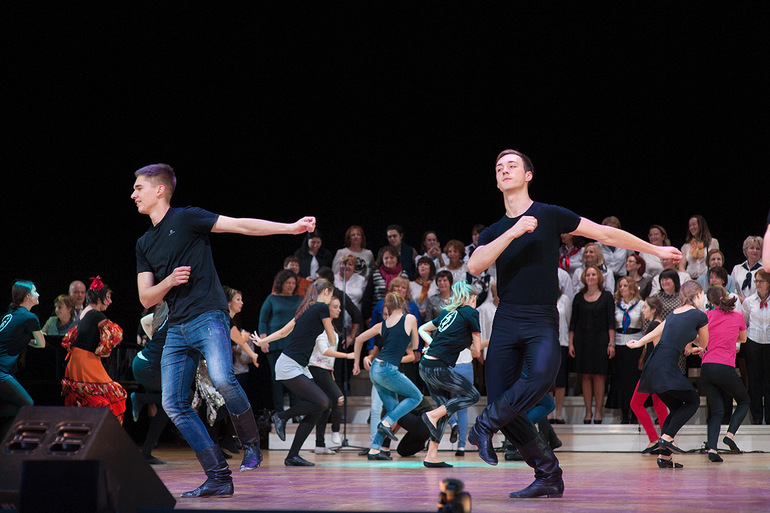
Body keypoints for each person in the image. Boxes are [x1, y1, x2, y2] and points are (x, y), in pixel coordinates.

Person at [465, 149, 681, 499]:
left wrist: (655, 251)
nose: (504, 170)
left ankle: (484, 425)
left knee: (540, 379)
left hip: (540, 316)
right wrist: (513, 232)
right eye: (499, 167)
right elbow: (475, 265)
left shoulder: (550, 215)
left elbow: (605, 234)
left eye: (512, 165)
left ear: (528, 175)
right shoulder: (494, 230)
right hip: (506, 319)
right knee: (504, 402)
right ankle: (548, 475)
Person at [132, 163, 315, 497]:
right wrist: (169, 281)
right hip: (176, 328)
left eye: (139, 188)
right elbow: (146, 297)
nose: (133, 194)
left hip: (209, 316)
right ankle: (218, 476)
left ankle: (251, 443)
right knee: (174, 404)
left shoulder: (186, 218)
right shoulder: (144, 243)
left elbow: (241, 225)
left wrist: (290, 228)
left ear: (159, 190)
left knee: (222, 378)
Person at [252, 279, 352, 466]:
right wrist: (332, 334)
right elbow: (332, 340)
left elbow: (283, 332)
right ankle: (281, 416)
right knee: (323, 401)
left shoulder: (306, 308)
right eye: (331, 295)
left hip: (295, 365)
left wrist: (262, 342)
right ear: (326, 292)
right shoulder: (321, 307)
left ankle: (292, 456)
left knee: (319, 407)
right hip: (290, 364)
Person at [628, 281, 708, 469]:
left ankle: (664, 456)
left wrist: (639, 343)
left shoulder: (674, 313)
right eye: (703, 294)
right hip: (666, 366)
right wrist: (695, 345)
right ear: (698, 295)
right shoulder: (700, 315)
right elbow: (704, 343)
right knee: (693, 401)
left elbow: (661, 330)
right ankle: (666, 438)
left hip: (652, 366)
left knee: (676, 406)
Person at [418, 282, 481, 468]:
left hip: (426, 365)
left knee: (445, 411)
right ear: (471, 298)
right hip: (437, 368)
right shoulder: (471, 313)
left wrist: (433, 344)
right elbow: (477, 351)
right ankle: (431, 415)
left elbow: (422, 329)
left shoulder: (448, 312)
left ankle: (431, 456)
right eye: (475, 298)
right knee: (473, 396)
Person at [353, 292, 422, 461]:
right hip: (388, 369)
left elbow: (359, 339)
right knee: (416, 396)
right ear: (403, 304)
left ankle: (374, 449)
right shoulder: (410, 318)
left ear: (388, 308)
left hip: (375, 369)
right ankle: (385, 423)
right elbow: (415, 346)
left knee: (392, 409)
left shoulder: (382, 324)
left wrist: (356, 363)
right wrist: (405, 342)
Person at [61, 276, 126, 422]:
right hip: (86, 361)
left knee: (89, 398)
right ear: (99, 297)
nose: (110, 301)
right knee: (114, 395)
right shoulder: (95, 314)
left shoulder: (86, 311)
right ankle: (104, 431)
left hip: (78, 358)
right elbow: (115, 333)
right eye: (108, 297)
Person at [701, 285, 749, 462]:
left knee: (716, 411)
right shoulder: (737, 316)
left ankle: (712, 449)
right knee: (744, 401)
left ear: (710, 301)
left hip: (707, 367)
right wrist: (728, 338)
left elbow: (702, 340)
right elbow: (743, 339)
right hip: (724, 366)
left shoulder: (707, 315)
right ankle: (730, 435)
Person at [569, 265, 615, 424]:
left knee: (599, 375)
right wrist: (571, 344)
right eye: (588, 274)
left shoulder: (607, 296)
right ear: (584, 277)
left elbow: (611, 322)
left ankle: (598, 413)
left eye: (593, 274)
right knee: (585, 376)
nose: (590, 277)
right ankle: (588, 412)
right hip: (582, 340)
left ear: (599, 277)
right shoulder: (578, 297)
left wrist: (611, 343)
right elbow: (573, 323)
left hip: (601, 340)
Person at [308, 295, 354, 453]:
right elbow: (324, 351)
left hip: (325, 369)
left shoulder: (331, 327)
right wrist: (347, 355)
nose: (339, 310)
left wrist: (331, 371)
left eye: (339, 307)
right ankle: (335, 431)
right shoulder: (321, 327)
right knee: (338, 398)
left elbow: (329, 356)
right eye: (335, 307)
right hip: (317, 368)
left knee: (324, 406)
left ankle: (319, 445)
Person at [0, 280, 46, 436]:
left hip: (4, 371)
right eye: (35, 291)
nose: (37, 294)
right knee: (27, 404)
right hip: (1, 372)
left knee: (13, 406)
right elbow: (41, 344)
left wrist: (25, 339)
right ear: (27, 296)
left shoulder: (7, 316)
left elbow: (11, 338)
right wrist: (32, 339)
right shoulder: (30, 317)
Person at [258, 269, 303, 415]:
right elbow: (263, 320)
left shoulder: (299, 299)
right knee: (277, 378)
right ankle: (279, 412)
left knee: (295, 378)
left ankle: (296, 412)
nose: (290, 286)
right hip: (275, 344)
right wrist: (263, 340)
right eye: (288, 283)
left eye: (293, 283)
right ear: (281, 283)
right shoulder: (272, 298)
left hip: (293, 344)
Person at [628, 296, 669, 454]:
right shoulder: (657, 324)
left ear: (653, 309)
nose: (642, 310)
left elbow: (658, 350)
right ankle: (665, 440)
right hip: (657, 370)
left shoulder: (654, 325)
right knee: (660, 406)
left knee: (635, 403)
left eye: (645, 307)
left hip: (652, 371)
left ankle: (654, 439)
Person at [132, 301, 170, 464]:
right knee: (184, 395)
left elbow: (144, 321)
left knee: (165, 406)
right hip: (147, 367)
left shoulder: (165, 314)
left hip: (142, 362)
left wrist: (152, 338)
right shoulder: (176, 319)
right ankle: (140, 398)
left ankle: (146, 453)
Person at [606, 276, 644, 423]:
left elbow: (644, 326)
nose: (622, 288)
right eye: (620, 286)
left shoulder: (641, 304)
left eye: (625, 286)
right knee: (620, 380)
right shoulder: (616, 305)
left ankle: (635, 413)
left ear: (632, 287)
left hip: (635, 344)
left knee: (633, 379)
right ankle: (624, 413)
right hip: (619, 344)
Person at [742, 269, 770, 424]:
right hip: (754, 342)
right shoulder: (749, 301)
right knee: (754, 381)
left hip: (769, 343)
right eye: (756, 281)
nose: (758, 284)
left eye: (761, 281)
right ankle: (757, 418)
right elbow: (744, 322)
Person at [679, 215, 719, 279]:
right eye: (690, 226)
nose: (691, 227)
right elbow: (681, 267)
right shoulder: (686, 246)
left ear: (701, 225)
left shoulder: (713, 242)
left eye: (694, 224)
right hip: (691, 279)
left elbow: (717, 263)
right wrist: (689, 279)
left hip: (708, 278)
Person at [731, 235, 764, 302]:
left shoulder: (765, 269)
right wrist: (742, 301)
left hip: (758, 304)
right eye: (752, 248)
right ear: (745, 250)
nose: (755, 251)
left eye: (758, 249)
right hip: (739, 304)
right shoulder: (737, 269)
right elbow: (732, 289)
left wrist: (748, 303)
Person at [600, 216, 630, 281]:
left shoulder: (626, 244)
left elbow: (632, 259)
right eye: (609, 228)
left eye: (615, 228)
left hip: (622, 279)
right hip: (604, 278)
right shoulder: (598, 246)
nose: (612, 230)